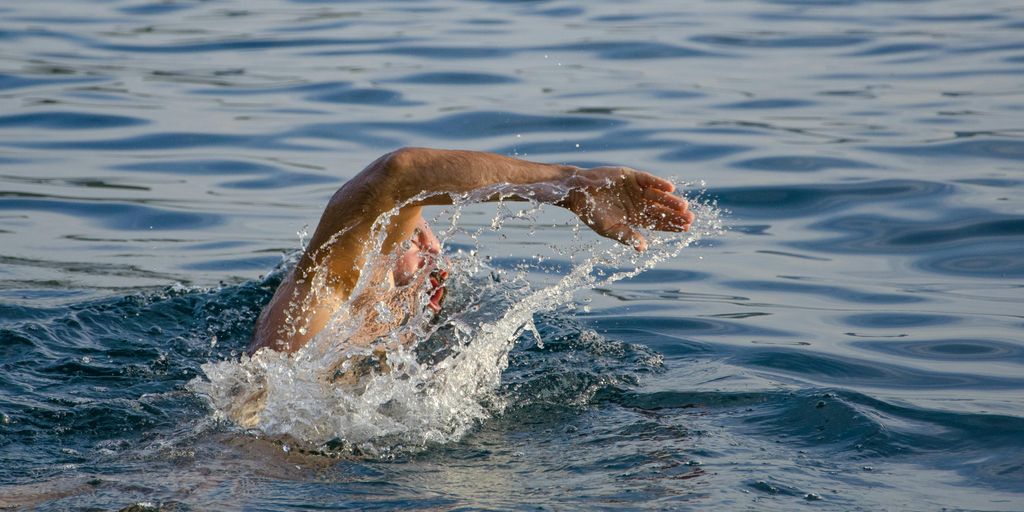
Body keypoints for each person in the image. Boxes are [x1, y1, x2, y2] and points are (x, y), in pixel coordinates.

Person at [247, 147, 694, 357]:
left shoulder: (379, 352)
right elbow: (399, 176)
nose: (426, 240)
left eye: (424, 235)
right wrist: (569, 184)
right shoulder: (319, 303)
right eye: (409, 226)